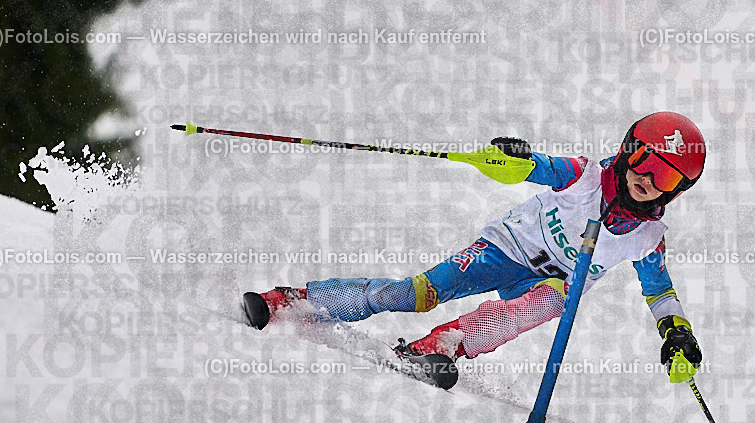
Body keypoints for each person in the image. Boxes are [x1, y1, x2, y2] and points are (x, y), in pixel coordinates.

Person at [243, 111, 706, 377]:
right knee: (416, 294)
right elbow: (540, 167)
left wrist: (676, 333)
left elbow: (660, 292)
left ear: (676, 191)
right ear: (626, 149)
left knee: (549, 302)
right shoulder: (584, 175)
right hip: (506, 248)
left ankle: (443, 345)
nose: (648, 179)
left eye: (665, 177)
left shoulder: (648, 238)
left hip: (554, 282)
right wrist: (514, 159)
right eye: (644, 160)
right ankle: (296, 301)